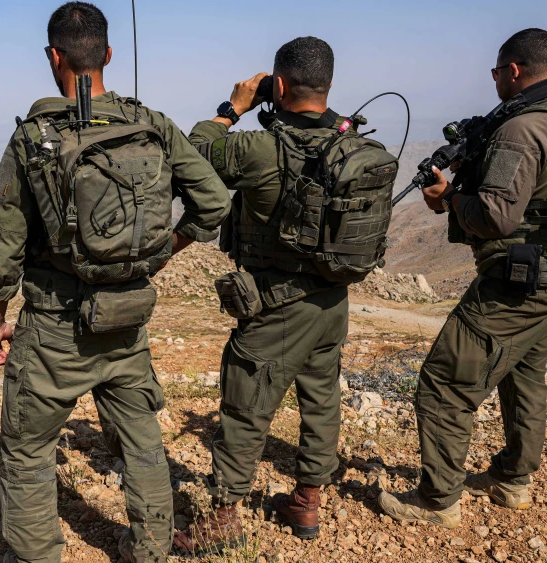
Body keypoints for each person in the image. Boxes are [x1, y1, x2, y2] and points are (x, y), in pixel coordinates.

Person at [0, 3, 230, 562]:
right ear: (108, 55)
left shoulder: (33, 138)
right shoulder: (152, 124)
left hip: (53, 327)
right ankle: (152, 550)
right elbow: (213, 204)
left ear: (54, 57)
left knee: (29, 450)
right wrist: (161, 253)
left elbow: (3, 245)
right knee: (142, 441)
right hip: (128, 319)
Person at [174, 37, 399, 553]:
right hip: (332, 303)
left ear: (276, 85)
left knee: (245, 407)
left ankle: (222, 518)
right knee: (321, 399)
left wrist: (232, 107)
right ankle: (307, 501)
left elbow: (192, 154)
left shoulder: (260, 148)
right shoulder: (352, 148)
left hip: (275, 305)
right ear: (329, 85)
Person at [380, 28, 547, 528]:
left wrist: (449, 197)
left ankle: (437, 501)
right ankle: (513, 479)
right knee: (523, 374)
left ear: (513, 70)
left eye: (497, 72)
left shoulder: (521, 129)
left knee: (444, 382)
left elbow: (496, 217)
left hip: (517, 283)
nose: (494, 81)